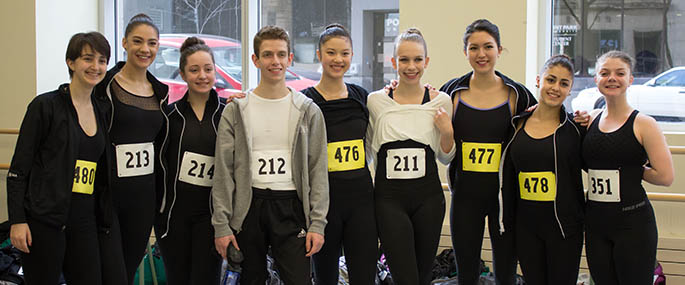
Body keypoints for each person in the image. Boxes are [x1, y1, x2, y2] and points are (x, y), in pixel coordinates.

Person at [211, 25, 329, 285]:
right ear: (255, 59)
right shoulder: (236, 110)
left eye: (280, 54)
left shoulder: (308, 111)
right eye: (267, 55)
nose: (274, 61)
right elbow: (223, 171)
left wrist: (317, 224)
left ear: (290, 58)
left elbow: (317, 170)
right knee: (252, 279)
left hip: (291, 208)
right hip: (249, 207)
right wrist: (221, 224)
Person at [7, 32, 112, 285]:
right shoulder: (45, 106)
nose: (95, 67)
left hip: (85, 220)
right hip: (45, 221)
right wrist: (18, 221)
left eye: (101, 60)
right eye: (88, 59)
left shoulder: (102, 109)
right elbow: (18, 170)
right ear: (71, 62)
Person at [439, 19, 537, 285]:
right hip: (465, 198)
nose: (481, 54)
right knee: (467, 273)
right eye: (474, 48)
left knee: (505, 272)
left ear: (499, 50)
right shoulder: (450, 93)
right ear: (465, 52)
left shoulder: (517, 94)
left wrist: (585, 117)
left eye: (488, 47)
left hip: (504, 199)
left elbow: (548, 120)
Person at [367, 27, 455, 285]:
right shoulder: (376, 101)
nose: (411, 66)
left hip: (428, 199)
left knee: (423, 275)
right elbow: (368, 153)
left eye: (417, 59)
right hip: (389, 201)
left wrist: (448, 131)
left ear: (426, 62)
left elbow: (446, 157)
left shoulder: (441, 102)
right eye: (404, 59)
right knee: (405, 276)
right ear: (393, 62)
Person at [583, 50, 674, 284]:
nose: (612, 78)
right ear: (596, 80)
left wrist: (632, 169)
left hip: (632, 225)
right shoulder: (590, 119)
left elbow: (665, 176)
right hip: (596, 224)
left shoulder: (644, 123)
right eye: (605, 73)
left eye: (620, 73)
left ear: (630, 79)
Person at [94, 13, 168, 284]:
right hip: (108, 197)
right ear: (124, 43)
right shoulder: (105, 86)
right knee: (110, 273)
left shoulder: (161, 92)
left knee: (127, 269)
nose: (145, 49)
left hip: (143, 198)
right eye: (137, 41)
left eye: (152, 43)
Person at [301, 24, 378, 285]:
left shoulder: (363, 97)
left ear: (352, 55)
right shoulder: (305, 102)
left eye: (344, 53)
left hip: (361, 202)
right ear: (319, 54)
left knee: (364, 277)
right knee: (325, 279)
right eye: (331, 52)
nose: (338, 59)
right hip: (324, 206)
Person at [501, 55, 585, 285]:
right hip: (526, 228)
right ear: (539, 80)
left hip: (564, 229)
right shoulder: (516, 124)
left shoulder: (575, 129)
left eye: (564, 83)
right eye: (551, 80)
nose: (555, 88)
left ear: (570, 89)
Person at [153, 37, 225, 284]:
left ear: (215, 71)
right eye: (194, 70)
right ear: (183, 74)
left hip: (212, 219)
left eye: (208, 69)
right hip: (174, 219)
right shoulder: (169, 117)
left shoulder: (228, 114)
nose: (202, 76)